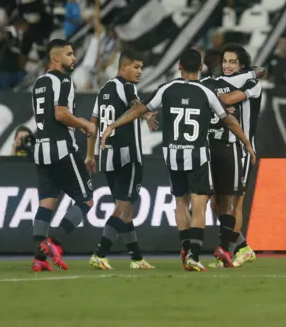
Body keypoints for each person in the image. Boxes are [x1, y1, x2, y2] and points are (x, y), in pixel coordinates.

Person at [101, 48, 256, 272]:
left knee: (181, 203)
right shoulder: (206, 92)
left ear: (179, 67)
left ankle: (185, 249)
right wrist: (247, 143)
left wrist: (113, 125)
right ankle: (194, 254)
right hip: (197, 156)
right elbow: (229, 120)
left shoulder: (167, 89)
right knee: (199, 204)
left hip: (173, 156)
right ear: (200, 68)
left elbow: (139, 109)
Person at [85, 50, 157, 270]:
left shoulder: (104, 89)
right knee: (123, 209)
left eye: (141, 67)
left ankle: (136, 258)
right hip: (127, 156)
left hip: (107, 157)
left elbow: (93, 123)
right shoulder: (126, 86)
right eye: (136, 67)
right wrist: (146, 116)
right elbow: (136, 103)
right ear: (123, 67)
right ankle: (100, 252)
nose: (139, 72)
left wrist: (90, 154)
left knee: (125, 211)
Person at [30, 39, 96, 272]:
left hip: (41, 150)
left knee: (46, 204)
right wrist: (85, 125)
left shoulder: (39, 83)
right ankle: (54, 243)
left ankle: (39, 259)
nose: (74, 59)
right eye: (69, 54)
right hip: (61, 149)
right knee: (87, 199)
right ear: (56, 58)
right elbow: (60, 114)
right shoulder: (63, 81)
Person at [200, 46, 265, 269]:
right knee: (217, 205)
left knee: (235, 202)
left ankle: (227, 250)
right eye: (225, 61)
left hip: (243, 149)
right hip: (223, 148)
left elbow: (227, 99)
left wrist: (210, 95)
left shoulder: (251, 84)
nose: (227, 66)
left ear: (242, 65)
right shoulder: (220, 82)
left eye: (233, 62)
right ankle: (242, 247)